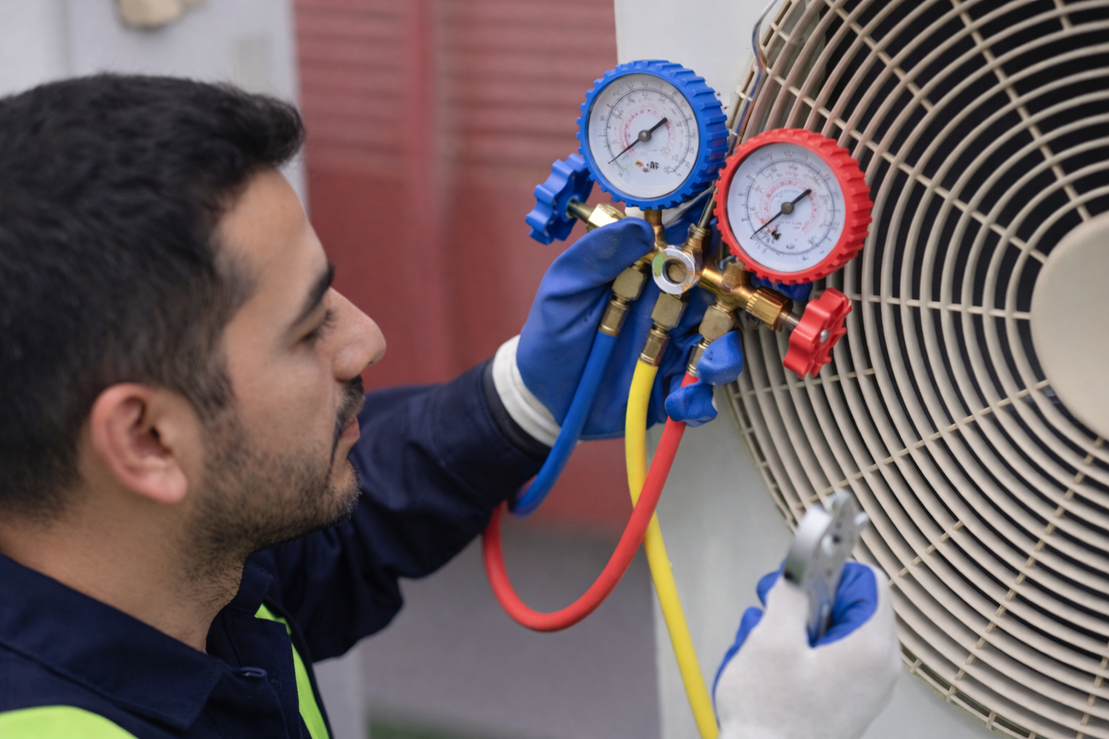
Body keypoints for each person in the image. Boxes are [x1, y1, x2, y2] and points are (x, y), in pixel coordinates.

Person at [0, 75, 899, 739]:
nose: (367, 340)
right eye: (308, 326)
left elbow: (342, 537)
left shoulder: (175, 566)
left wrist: (525, 397)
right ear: (147, 439)